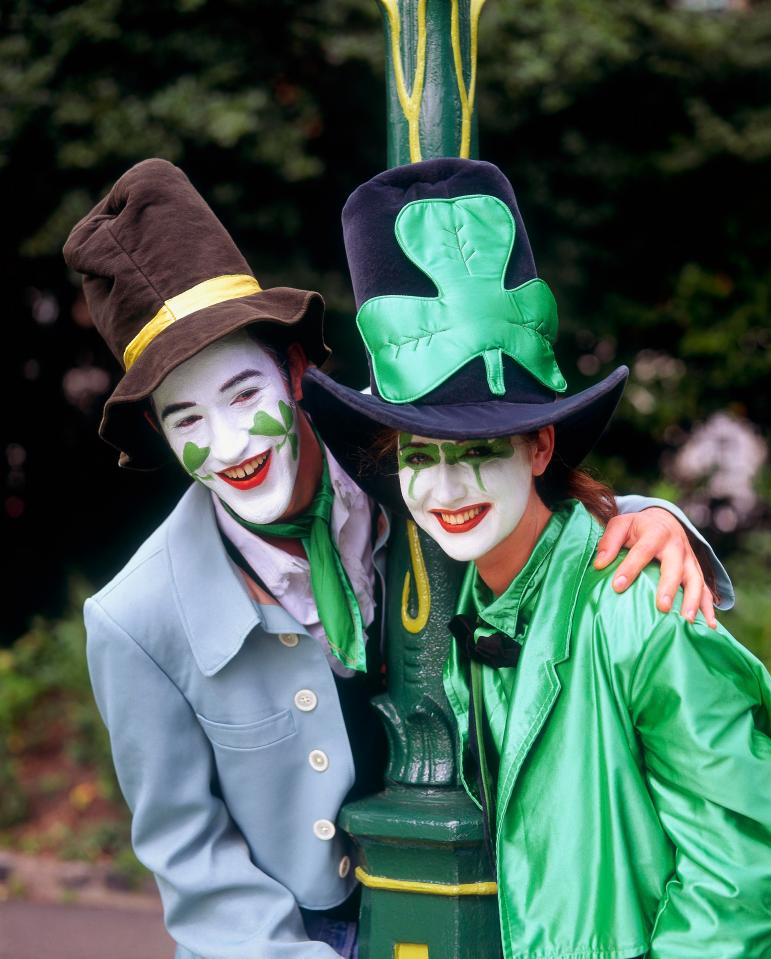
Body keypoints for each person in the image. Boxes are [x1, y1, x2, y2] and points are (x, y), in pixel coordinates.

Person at [65, 158, 731, 959]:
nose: (232, 444)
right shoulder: (136, 620)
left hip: (491, 903)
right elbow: (194, 865)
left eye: (244, 395)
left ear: (297, 372)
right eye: (186, 420)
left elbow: (520, 496)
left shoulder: (407, 473)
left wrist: (646, 516)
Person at [302, 158, 771, 958]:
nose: (445, 487)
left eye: (478, 449)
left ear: (539, 444)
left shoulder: (640, 603)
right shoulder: (466, 605)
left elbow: (741, 867)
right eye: (419, 455)